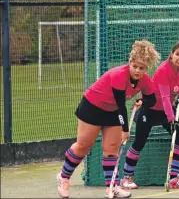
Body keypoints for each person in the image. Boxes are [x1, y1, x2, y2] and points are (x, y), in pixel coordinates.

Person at [56, 40, 161, 198]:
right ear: (129, 62)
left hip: (112, 111)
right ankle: (64, 177)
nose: (138, 71)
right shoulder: (119, 75)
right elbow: (120, 105)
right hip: (93, 106)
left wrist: (141, 101)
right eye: (135, 66)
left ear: (146, 68)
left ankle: (111, 187)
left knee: (112, 149)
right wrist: (125, 130)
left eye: (142, 68)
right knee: (84, 145)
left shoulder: (145, 80)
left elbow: (151, 99)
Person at [120, 41, 179, 190]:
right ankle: (126, 178)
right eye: (177, 54)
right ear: (171, 55)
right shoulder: (163, 70)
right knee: (139, 142)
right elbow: (165, 97)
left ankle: (174, 178)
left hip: (167, 110)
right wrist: (171, 118)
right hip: (150, 108)